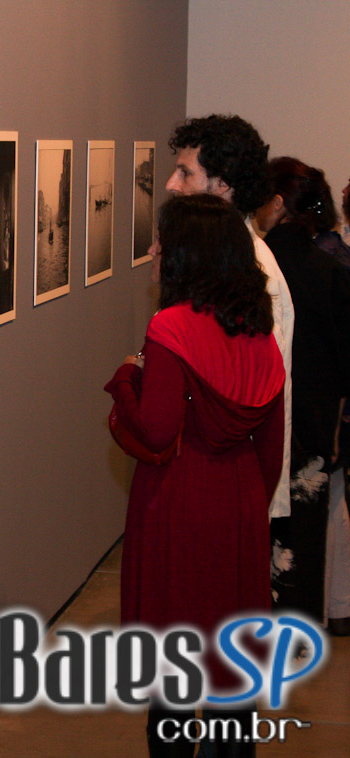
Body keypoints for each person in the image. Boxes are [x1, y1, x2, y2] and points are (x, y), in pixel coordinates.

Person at [106, 194, 285, 757]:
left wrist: (125, 380)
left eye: (163, 240)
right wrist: (248, 504)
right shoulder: (261, 336)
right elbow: (272, 451)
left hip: (177, 502)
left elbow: (157, 430)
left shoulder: (170, 328)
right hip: (238, 502)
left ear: (188, 254)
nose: (154, 250)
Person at [166, 115, 294, 523]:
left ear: (223, 185)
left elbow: (257, 396)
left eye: (186, 173)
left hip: (226, 484)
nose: (171, 184)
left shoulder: (253, 271)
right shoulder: (219, 259)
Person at [256, 158, 350, 635]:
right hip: (313, 417)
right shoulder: (329, 271)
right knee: (305, 530)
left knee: (257, 529)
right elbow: (343, 362)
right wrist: (333, 427)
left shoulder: (254, 263)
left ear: (274, 203)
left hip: (260, 413)